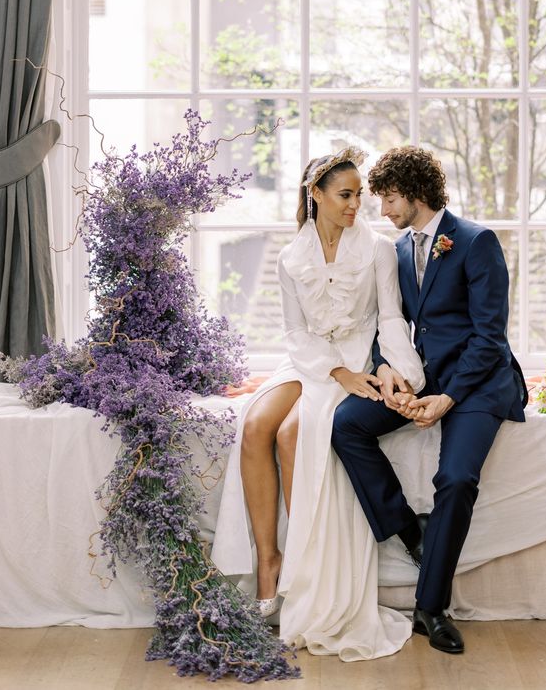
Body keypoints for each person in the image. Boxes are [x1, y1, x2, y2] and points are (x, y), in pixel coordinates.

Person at [210, 146, 425, 661]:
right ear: (317, 195)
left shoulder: (375, 249)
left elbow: (392, 319)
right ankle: (269, 559)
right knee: (257, 423)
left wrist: (404, 375)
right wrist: (335, 371)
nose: (357, 205)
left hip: (355, 357)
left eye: (358, 195)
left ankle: (304, 567)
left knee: (291, 433)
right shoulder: (291, 256)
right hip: (314, 361)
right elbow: (294, 332)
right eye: (345, 195)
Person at [332, 146, 527, 655]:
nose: (383, 211)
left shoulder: (475, 241)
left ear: (417, 193)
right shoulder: (396, 251)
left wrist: (449, 397)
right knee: (347, 425)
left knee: (457, 478)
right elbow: (388, 321)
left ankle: (430, 608)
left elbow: (491, 337)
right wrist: (386, 369)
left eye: (390, 199)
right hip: (423, 375)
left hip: (479, 383)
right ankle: (409, 530)